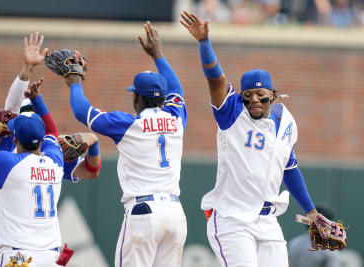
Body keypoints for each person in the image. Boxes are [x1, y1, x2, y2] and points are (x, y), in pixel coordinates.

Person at [180, 11, 342, 267]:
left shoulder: (286, 121)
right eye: (248, 95)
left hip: (268, 221)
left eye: (261, 94)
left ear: (273, 95)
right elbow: (215, 78)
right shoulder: (232, 114)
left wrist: (311, 212)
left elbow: (289, 168)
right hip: (232, 219)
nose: (254, 99)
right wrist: (204, 43)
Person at [63, 21, 187, 267]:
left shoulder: (128, 125)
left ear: (137, 97)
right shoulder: (177, 118)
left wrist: (74, 81)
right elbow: (177, 89)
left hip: (144, 212)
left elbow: (81, 111)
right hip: (175, 214)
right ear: (162, 99)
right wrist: (158, 55)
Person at [0, 33, 101, 267]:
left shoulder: (10, 150)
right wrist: (93, 142)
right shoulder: (52, 158)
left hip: (10, 247)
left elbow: (10, 111)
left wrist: (27, 70)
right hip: (30, 248)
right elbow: (92, 170)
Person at [0, 79, 65, 266]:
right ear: (42, 139)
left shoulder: (6, 163)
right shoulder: (54, 161)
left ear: (15, 138)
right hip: (51, 257)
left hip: (19, 257)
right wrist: (37, 100)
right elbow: (53, 130)